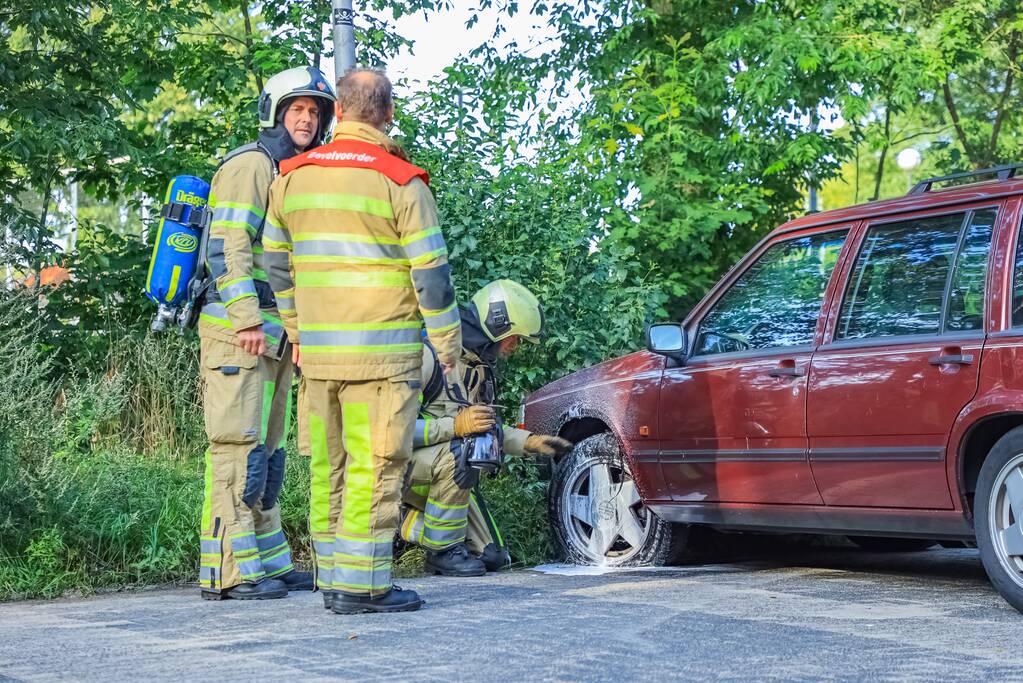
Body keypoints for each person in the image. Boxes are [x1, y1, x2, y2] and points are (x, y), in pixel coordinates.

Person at [263, 69, 462, 614]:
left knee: (328, 469)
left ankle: (334, 577)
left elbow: (275, 266)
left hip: (319, 360)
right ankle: (364, 585)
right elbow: (432, 278)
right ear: (388, 113)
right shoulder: (402, 182)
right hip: (382, 360)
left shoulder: (292, 177)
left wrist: (297, 330)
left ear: (339, 111)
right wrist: (447, 349)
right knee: (375, 467)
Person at [198, 66, 336, 601]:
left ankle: (268, 562)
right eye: (297, 109)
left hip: (276, 336)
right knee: (236, 448)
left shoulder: (288, 170)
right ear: (277, 112)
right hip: (240, 332)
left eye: (315, 112)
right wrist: (248, 319)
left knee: (269, 453)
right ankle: (228, 573)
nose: (306, 118)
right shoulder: (251, 165)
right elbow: (227, 247)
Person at [400, 280, 573, 576]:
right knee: (462, 450)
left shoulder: (478, 368)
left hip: (443, 467)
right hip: (398, 469)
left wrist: (528, 442)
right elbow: (392, 431)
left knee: (492, 557)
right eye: (513, 337)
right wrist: (454, 426)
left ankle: (406, 524)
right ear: (495, 327)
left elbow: (480, 428)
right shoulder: (426, 355)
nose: (514, 347)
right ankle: (440, 552)